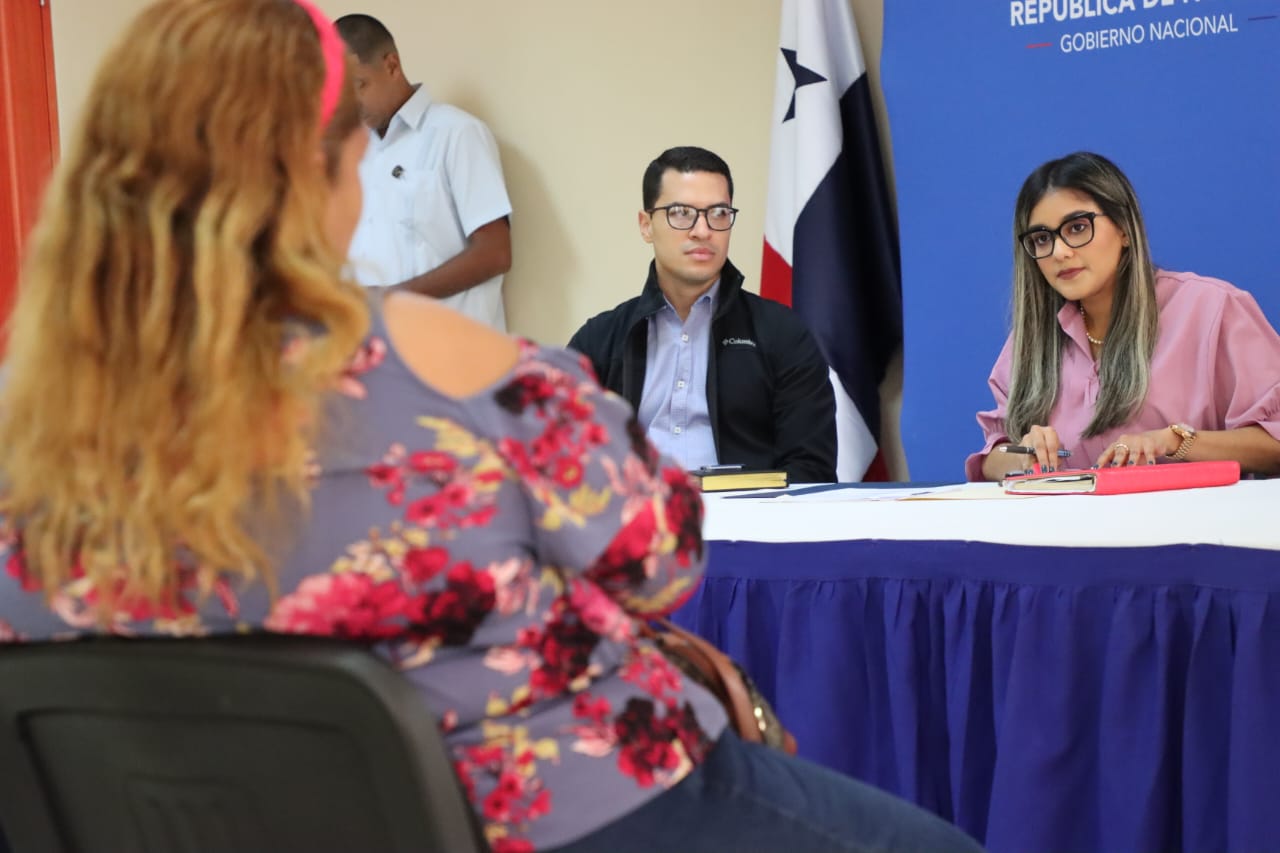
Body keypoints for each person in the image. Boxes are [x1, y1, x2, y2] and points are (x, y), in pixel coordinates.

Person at [0, 3, 984, 852]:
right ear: (318, 170)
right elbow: (659, 554)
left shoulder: (30, 425)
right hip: (572, 804)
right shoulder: (443, 359)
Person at [969, 151, 1280, 481]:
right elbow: (992, 457)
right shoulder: (1031, 341)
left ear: (1125, 230)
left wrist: (1175, 442)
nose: (1059, 252)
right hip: (1073, 514)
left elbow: (1273, 443)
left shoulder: (1213, 308)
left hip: (1195, 515)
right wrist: (1023, 454)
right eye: (1042, 238)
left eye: (1077, 227)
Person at [568, 146, 837, 484]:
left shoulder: (782, 334)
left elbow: (812, 470)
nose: (702, 230)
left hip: (748, 513)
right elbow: (560, 459)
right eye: (681, 213)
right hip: (634, 511)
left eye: (719, 213)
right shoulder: (598, 341)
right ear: (646, 225)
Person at [334, 13, 513, 330]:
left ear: (392, 66)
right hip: (381, 350)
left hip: (456, 349)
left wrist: (392, 299)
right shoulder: (354, 154)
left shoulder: (456, 133)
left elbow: (495, 253)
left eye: (359, 85)